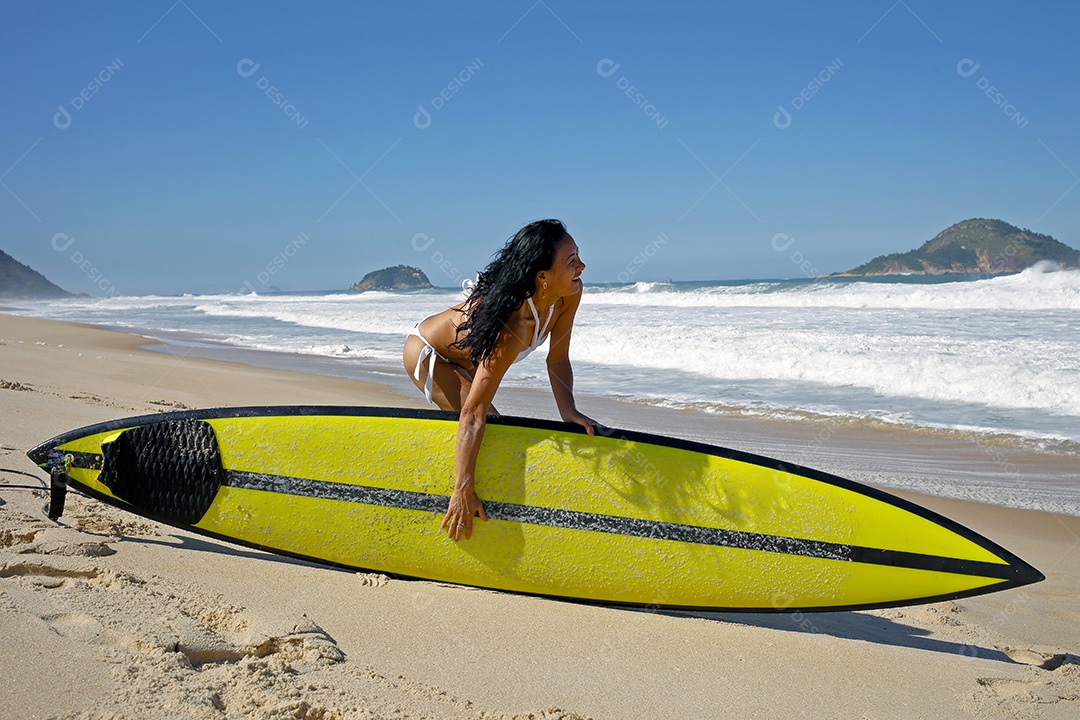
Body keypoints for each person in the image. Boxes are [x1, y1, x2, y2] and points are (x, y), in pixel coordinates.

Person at [402, 219, 597, 541]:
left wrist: (569, 410)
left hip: (468, 357)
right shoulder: (513, 327)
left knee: (492, 430)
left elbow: (558, 359)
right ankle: (458, 496)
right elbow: (473, 413)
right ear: (542, 276)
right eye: (571, 261)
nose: (582, 266)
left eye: (578, 255)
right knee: (487, 424)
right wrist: (462, 487)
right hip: (430, 353)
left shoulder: (568, 294)